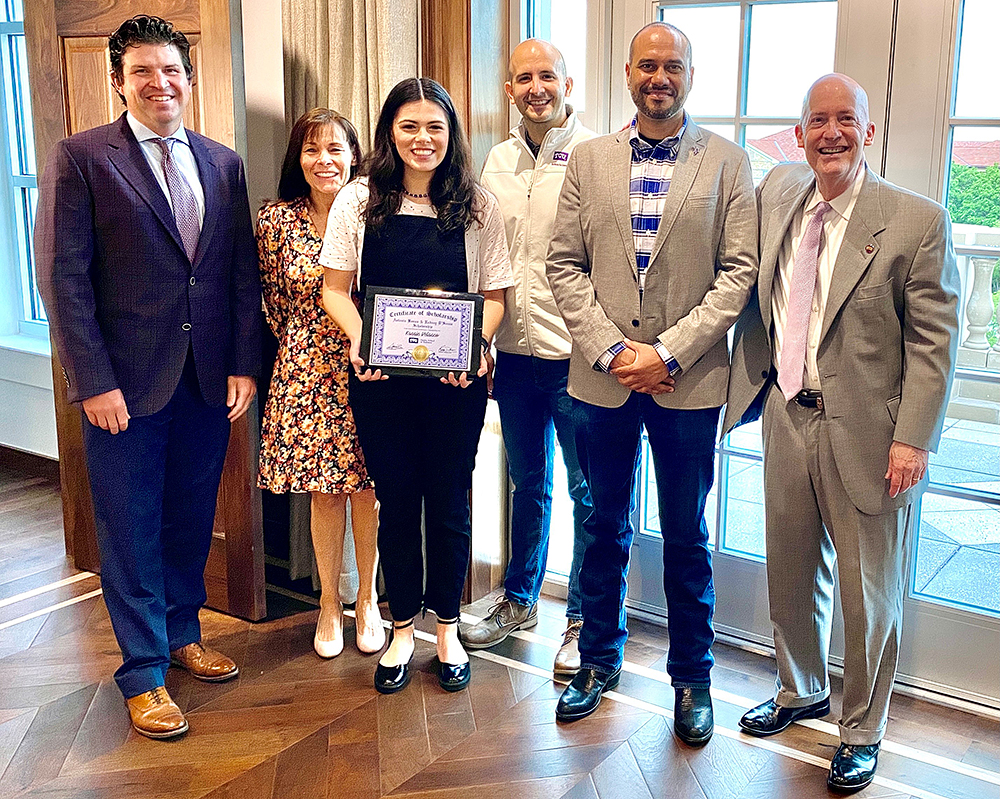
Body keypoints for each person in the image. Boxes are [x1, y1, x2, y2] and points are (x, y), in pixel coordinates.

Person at [723, 74, 960, 793]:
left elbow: (933, 344)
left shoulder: (917, 222)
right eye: (817, 121)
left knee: (868, 591)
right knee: (790, 569)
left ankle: (862, 727)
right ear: (798, 136)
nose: (831, 134)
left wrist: (913, 438)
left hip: (871, 433)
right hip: (786, 414)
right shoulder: (779, 197)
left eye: (845, 120)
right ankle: (800, 689)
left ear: (869, 132)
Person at [34, 15, 260, 739]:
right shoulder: (83, 158)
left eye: (170, 71)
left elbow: (235, 272)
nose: (159, 84)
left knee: (191, 516)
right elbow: (62, 278)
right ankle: (142, 671)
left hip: (204, 381)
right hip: (122, 388)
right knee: (128, 524)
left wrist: (242, 364)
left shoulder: (222, 162)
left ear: (188, 78)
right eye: (142, 72)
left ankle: (180, 630)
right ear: (118, 82)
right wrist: (90, 381)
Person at [545, 22, 758, 738]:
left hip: (688, 383)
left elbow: (739, 274)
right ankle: (597, 660)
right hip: (600, 382)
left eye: (672, 65)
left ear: (690, 74)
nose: (658, 76)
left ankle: (692, 678)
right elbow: (563, 264)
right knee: (603, 524)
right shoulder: (590, 159)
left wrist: (666, 352)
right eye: (647, 64)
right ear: (629, 73)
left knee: (689, 535)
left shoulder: (729, 163)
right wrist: (612, 352)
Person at [320, 78, 512, 694]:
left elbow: (494, 299)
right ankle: (403, 627)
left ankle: (448, 628)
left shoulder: (478, 204)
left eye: (435, 127)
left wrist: (475, 346)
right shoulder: (358, 200)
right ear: (389, 132)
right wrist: (359, 338)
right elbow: (335, 290)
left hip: (456, 383)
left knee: (451, 502)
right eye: (409, 126)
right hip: (382, 380)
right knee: (397, 501)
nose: (422, 139)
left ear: (451, 134)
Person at [461, 39, 595, 676]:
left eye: (548, 76)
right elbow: (485, 256)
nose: (536, 87)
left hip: (578, 354)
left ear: (569, 84)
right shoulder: (496, 160)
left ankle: (587, 618)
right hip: (513, 353)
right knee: (528, 485)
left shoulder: (597, 153)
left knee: (589, 491)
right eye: (524, 78)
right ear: (509, 89)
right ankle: (521, 598)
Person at [257, 108, 384, 660]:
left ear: (355, 156)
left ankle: (370, 600)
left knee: (370, 490)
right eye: (312, 150)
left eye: (335, 149)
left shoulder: (377, 215)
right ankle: (330, 602)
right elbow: (267, 300)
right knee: (325, 492)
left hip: (373, 366)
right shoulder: (275, 221)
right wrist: (302, 346)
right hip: (306, 366)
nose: (324, 160)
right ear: (298, 158)